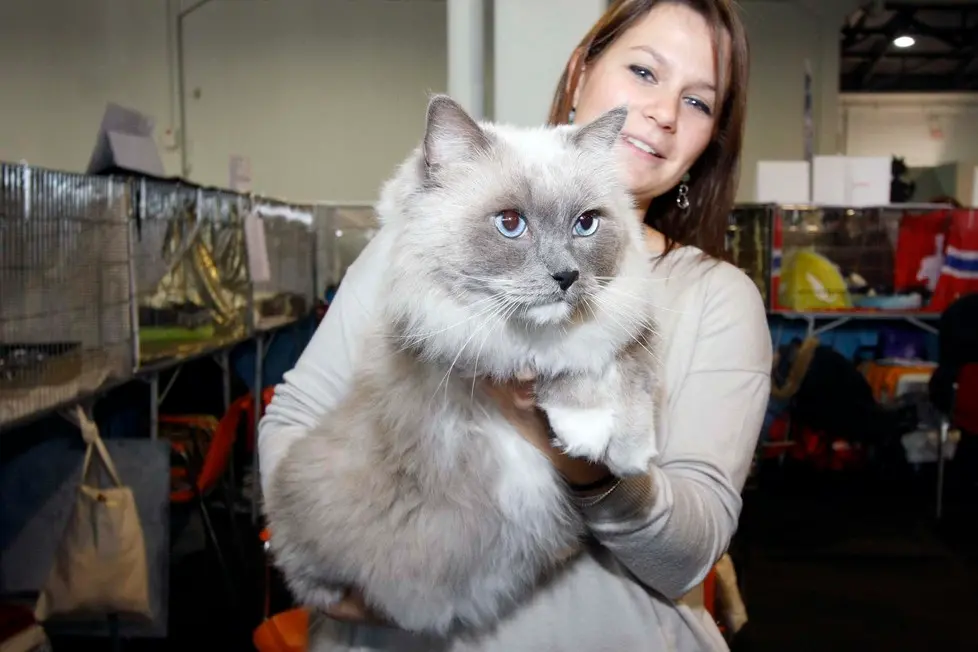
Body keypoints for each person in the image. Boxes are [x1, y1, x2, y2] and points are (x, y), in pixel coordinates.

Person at [258, 0, 772, 649]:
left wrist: (570, 451)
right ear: (582, 72)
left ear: (710, 141)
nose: (665, 113)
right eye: (645, 72)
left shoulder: (715, 298)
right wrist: (333, 580)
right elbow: (298, 412)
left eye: (700, 102)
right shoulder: (425, 241)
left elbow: (689, 555)